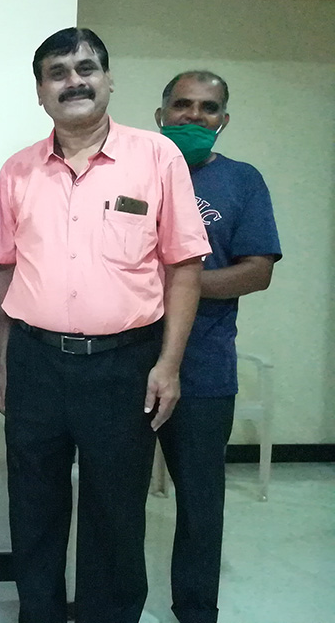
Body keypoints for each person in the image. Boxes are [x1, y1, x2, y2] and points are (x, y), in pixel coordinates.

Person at [0, 28, 210, 623]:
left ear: (109, 80)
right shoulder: (17, 172)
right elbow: (5, 274)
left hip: (124, 363)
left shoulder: (157, 157)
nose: (74, 81)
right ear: (41, 92)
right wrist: (7, 366)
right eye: (57, 72)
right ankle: (39, 612)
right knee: (33, 504)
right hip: (35, 361)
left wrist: (167, 365)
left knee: (115, 509)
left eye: (86, 68)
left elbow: (184, 267)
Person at [153, 71, 281, 623]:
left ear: (223, 120)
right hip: (125, 363)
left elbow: (257, 272)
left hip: (205, 370)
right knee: (112, 499)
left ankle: (196, 608)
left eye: (208, 108)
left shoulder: (242, 182)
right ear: (161, 113)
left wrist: (179, 284)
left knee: (201, 502)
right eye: (182, 105)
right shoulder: (137, 173)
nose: (194, 117)